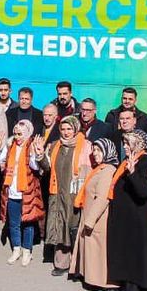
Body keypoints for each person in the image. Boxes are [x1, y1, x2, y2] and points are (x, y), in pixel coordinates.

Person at [106, 130, 147, 291]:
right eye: (125, 143)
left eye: (129, 144)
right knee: (125, 255)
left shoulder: (146, 162)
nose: (125, 147)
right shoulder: (128, 162)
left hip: (137, 219)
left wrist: (133, 172)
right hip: (125, 218)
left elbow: (144, 192)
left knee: (134, 258)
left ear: (140, 145)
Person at [36, 115, 89, 275]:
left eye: (69, 129)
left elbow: (89, 171)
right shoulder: (54, 146)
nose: (66, 132)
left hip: (75, 194)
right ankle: (61, 263)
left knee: (73, 227)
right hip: (57, 194)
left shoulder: (86, 146)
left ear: (75, 129)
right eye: (63, 129)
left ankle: (77, 265)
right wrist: (40, 155)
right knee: (59, 225)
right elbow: (47, 168)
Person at [69, 138, 119, 291]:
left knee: (99, 253)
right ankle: (92, 279)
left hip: (98, 220)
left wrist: (90, 220)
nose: (95, 153)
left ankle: (106, 284)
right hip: (91, 216)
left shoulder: (108, 170)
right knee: (93, 251)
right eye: (94, 150)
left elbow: (102, 198)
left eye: (99, 150)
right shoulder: (99, 168)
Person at [0, 119, 44, 266]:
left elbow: (35, 166)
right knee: (14, 223)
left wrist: (38, 152)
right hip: (12, 191)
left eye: (20, 134)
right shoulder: (10, 146)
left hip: (27, 192)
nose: (17, 137)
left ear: (28, 133)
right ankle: (16, 249)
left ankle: (26, 251)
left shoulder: (31, 147)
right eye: (15, 134)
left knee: (28, 223)